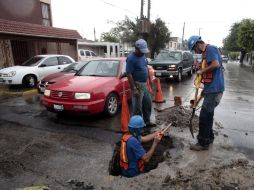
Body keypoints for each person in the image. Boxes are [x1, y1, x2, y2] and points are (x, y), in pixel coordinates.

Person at [187, 35, 224, 151]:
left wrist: (201, 71)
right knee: (208, 115)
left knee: (204, 116)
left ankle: (202, 143)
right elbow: (209, 75)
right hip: (210, 89)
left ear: (198, 44)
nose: (195, 51)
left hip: (215, 89)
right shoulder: (204, 54)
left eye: (194, 48)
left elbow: (216, 64)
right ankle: (209, 137)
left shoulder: (210, 49)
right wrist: (203, 91)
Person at [126, 39, 155, 127]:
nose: (143, 53)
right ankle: (137, 126)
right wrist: (134, 88)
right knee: (137, 108)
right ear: (136, 49)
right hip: (137, 85)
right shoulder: (131, 58)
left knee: (147, 104)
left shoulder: (143, 56)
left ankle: (147, 121)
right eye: (142, 51)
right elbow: (128, 73)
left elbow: (146, 67)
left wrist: (149, 79)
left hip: (145, 84)